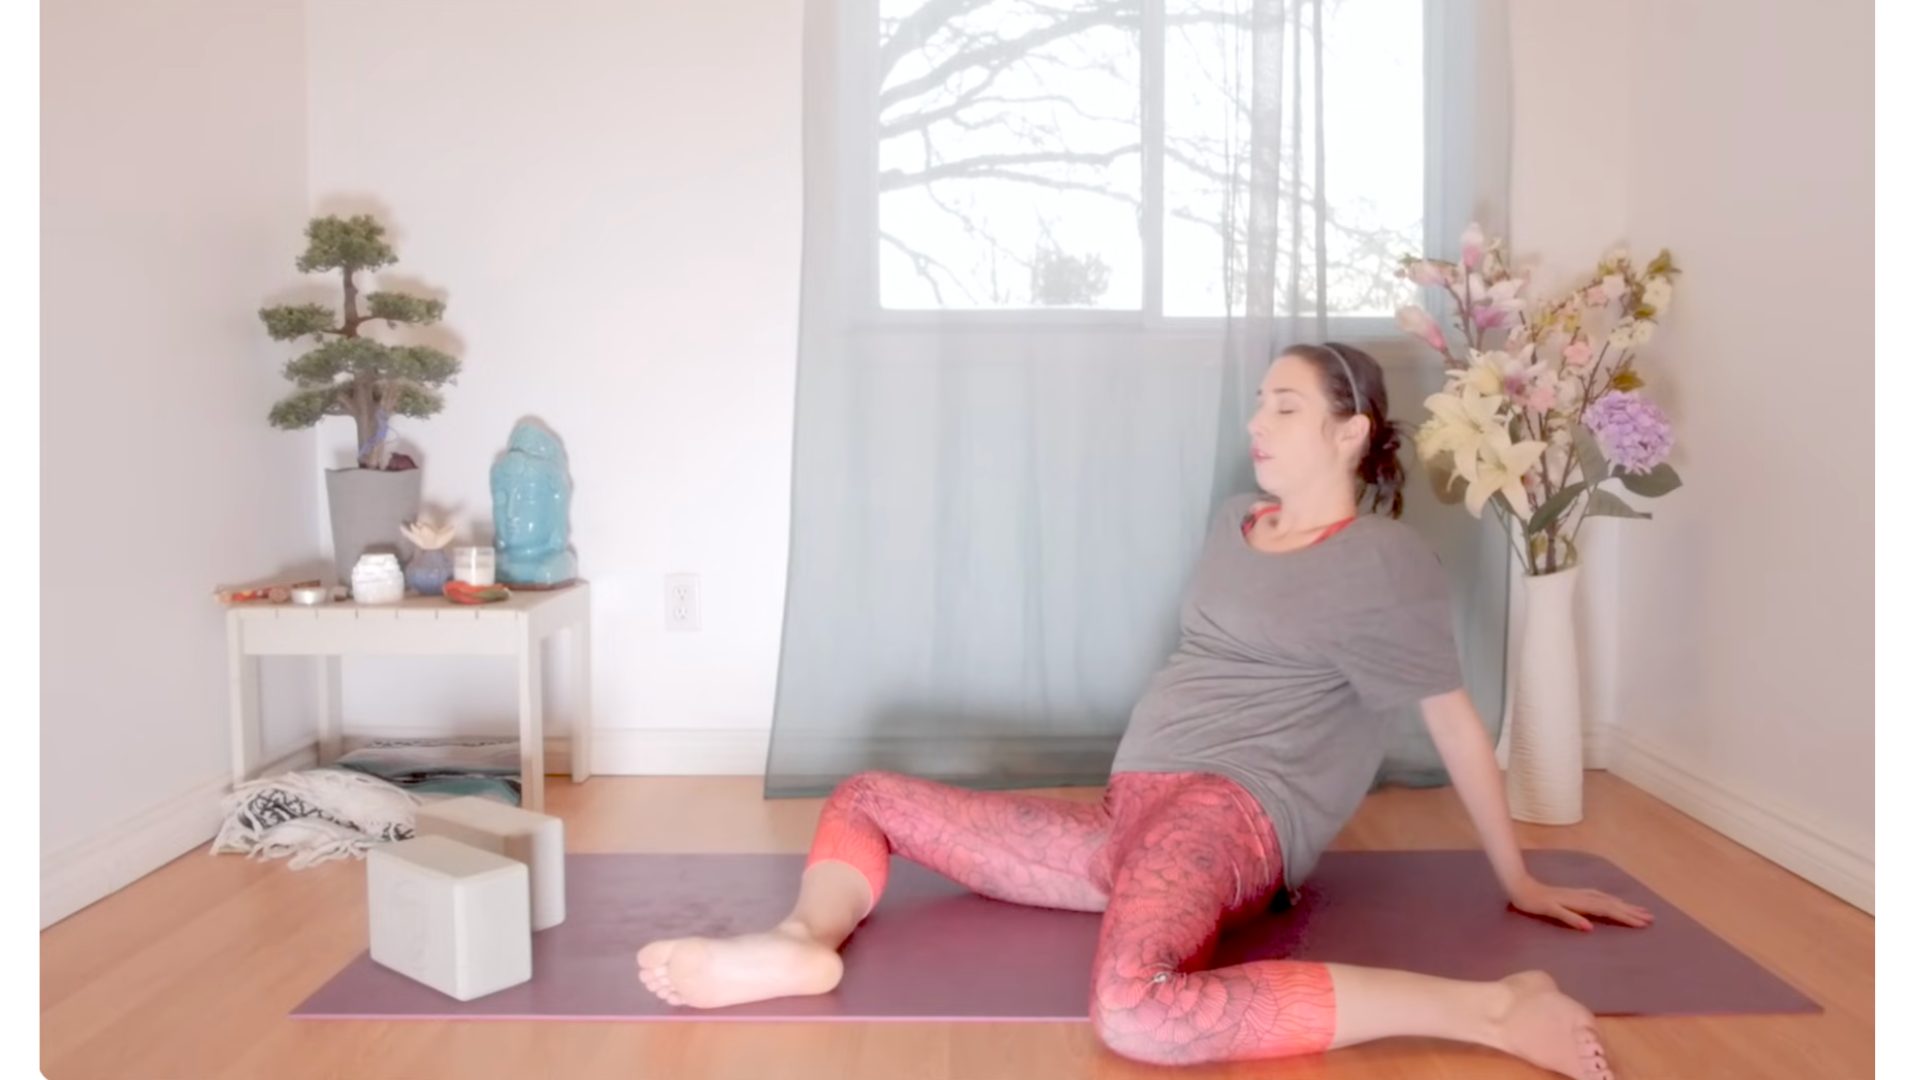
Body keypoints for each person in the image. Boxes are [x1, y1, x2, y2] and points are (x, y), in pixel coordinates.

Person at [637, 343, 1648, 1080]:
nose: (1257, 421)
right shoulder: (1232, 523)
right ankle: (805, 941)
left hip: (1231, 819)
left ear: (1352, 431)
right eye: (1258, 402)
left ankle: (1496, 1010)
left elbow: (1451, 719)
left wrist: (1517, 874)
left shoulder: (1386, 564)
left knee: (1139, 1014)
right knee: (867, 796)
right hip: (1129, 822)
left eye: (1286, 407)